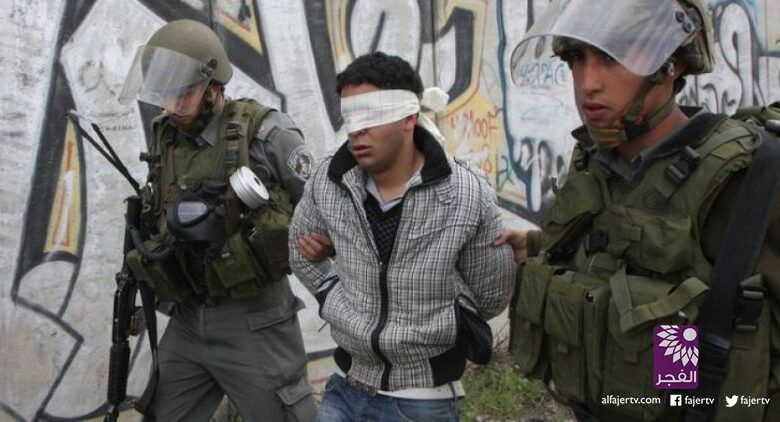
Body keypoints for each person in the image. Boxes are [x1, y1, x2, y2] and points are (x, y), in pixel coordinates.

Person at [495, 0, 780, 420]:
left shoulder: (744, 176)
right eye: (576, 58)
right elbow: (630, 265)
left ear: (672, 65)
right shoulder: (595, 161)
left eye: (613, 57)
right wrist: (540, 245)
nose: (588, 83)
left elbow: (698, 293)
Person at [288, 52, 516, 421]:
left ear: (409, 117)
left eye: (371, 116)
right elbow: (300, 251)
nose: (356, 130)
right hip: (345, 387)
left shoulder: (466, 194)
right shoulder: (329, 181)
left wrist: (442, 319)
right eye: (350, 117)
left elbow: (492, 292)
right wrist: (333, 294)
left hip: (423, 399)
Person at [117, 19, 316, 421]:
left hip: (256, 321)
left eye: (184, 93)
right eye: (165, 94)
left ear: (213, 88)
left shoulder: (267, 134)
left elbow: (321, 206)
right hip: (189, 317)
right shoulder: (166, 135)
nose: (173, 106)